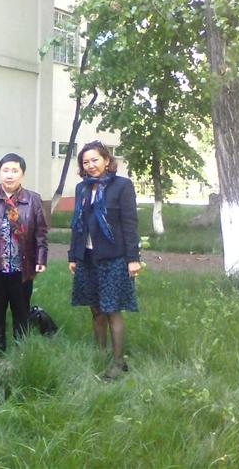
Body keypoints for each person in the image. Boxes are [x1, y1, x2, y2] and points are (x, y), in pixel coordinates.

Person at [68, 140, 140, 380]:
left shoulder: (122, 186)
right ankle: (100, 356)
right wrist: (73, 256)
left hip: (114, 257)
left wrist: (133, 258)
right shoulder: (82, 189)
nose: (90, 165)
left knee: (112, 310)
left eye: (95, 160)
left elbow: (129, 223)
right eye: (85, 162)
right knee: (96, 309)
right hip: (88, 257)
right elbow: (77, 224)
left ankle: (118, 363)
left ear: (107, 160)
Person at [0, 153, 48, 351]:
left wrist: (41, 258)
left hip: (22, 266)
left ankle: (21, 349)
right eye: (5, 170)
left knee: (21, 310)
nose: (9, 175)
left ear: (22, 174)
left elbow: (40, 232)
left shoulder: (33, 199)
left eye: (14, 171)